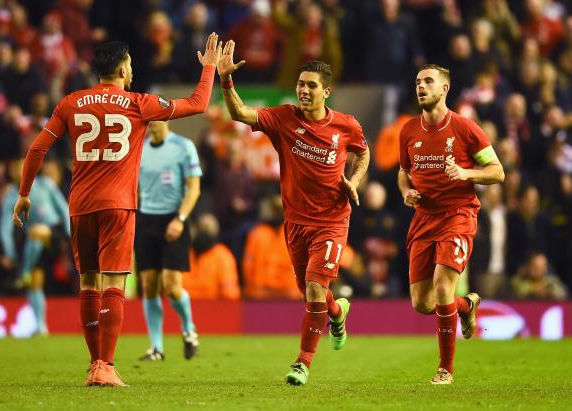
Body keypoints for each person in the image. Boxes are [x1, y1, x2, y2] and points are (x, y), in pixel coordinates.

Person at [13, 34, 222, 387]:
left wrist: (24, 193)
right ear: (123, 69)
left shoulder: (71, 103)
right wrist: (209, 69)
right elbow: (199, 103)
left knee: (88, 282)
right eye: (131, 67)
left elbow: (37, 149)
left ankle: (94, 363)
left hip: (80, 206)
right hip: (118, 205)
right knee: (113, 282)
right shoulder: (139, 103)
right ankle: (106, 366)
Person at [217, 41, 370, 385]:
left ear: (326, 91)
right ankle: (336, 312)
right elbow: (240, 113)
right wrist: (226, 81)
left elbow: (363, 153)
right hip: (296, 221)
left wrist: (355, 180)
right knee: (310, 292)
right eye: (301, 84)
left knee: (315, 288)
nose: (303, 90)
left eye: (311, 85)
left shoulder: (346, 126)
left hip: (331, 220)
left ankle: (302, 363)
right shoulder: (283, 118)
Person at [397, 64, 505, 385]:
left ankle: (445, 370)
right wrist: (406, 191)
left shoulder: (466, 128)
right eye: (418, 82)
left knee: (443, 286)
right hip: (424, 219)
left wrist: (467, 173)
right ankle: (466, 304)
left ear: (445, 89)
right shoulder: (408, 131)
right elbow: (404, 172)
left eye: (428, 81)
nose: (421, 86)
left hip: (458, 214)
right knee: (422, 303)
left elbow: (497, 171)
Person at [135, 120, 202, 362]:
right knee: (149, 284)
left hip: (174, 218)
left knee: (171, 285)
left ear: (167, 117)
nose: (152, 120)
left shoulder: (183, 146)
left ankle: (188, 327)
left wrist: (180, 218)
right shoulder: (138, 148)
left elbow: (194, 188)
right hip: (146, 219)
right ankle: (156, 347)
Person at [0, 159, 70, 336]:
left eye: (22, 166)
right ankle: (41, 327)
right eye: (16, 168)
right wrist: (10, 253)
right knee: (35, 282)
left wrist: (72, 236)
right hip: (35, 245)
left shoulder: (45, 184)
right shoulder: (11, 197)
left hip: (55, 233)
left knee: (37, 230)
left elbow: (63, 208)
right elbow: (4, 229)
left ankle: (24, 271)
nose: (19, 171)